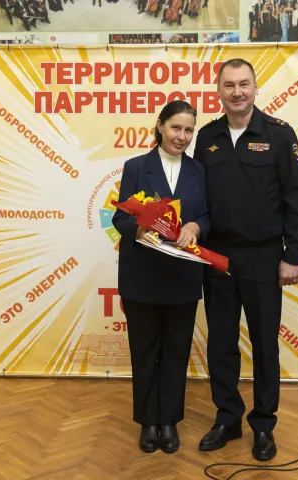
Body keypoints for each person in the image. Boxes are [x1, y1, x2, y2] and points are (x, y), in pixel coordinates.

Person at [193, 58, 298, 461]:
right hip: (217, 256)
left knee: (264, 344)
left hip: (263, 256)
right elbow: (198, 196)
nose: (237, 92)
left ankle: (263, 424)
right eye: (229, 85)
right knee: (221, 343)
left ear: (256, 88)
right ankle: (227, 418)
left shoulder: (279, 134)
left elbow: (297, 198)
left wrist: (293, 255)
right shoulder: (207, 137)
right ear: (219, 91)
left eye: (244, 84)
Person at [112, 100, 209, 454]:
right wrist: (140, 230)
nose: (181, 136)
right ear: (160, 126)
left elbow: (208, 215)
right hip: (143, 276)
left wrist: (196, 226)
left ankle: (168, 421)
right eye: (175, 128)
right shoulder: (136, 167)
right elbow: (120, 218)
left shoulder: (199, 170)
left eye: (188, 130)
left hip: (183, 276)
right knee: (144, 351)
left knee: (176, 352)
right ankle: (147, 422)